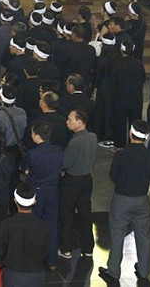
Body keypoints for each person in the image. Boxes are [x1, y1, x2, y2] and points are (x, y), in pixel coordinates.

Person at [98, 120, 150, 285]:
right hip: (142, 200)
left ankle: (113, 271)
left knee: (117, 235)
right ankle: (144, 270)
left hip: (122, 199)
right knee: (143, 235)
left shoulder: (121, 155)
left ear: (130, 134)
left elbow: (114, 175)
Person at [21, 122, 62, 270]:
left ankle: (33, 258)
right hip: (52, 191)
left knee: (34, 225)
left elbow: (25, 169)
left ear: (37, 136)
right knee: (51, 225)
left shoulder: (32, 154)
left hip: (36, 192)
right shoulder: (58, 150)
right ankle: (52, 261)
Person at [59, 109, 97, 259]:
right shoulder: (93, 137)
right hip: (87, 179)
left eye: (70, 120)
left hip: (72, 181)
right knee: (85, 214)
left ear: (79, 122)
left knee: (67, 214)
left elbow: (65, 163)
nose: (67, 122)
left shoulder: (75, 142)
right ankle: (88, 248)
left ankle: (66, 248)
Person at [0, 183, 49, 287]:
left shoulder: (6, 224)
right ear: (34, 202)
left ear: (15, 201)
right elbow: (45, 251)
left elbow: (0, 252)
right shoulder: (42, 226)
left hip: (13, 275)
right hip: (36, 275)